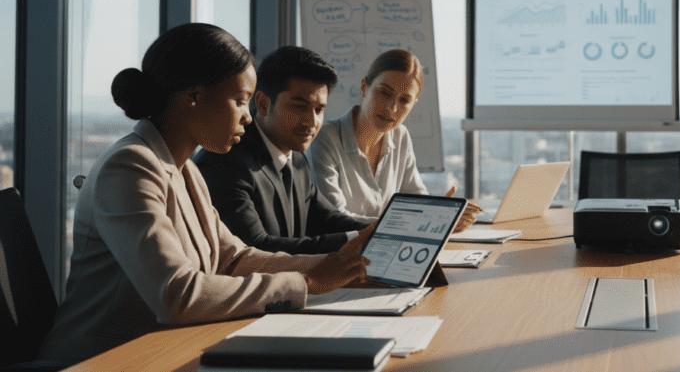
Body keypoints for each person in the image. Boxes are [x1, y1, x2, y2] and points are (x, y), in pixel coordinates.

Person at [40, 24, 370, 362]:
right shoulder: (129, 167)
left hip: (162, 351)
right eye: (241, 101)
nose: (248, 116)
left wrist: (337, 267)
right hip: (103, 361)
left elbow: (233, 258)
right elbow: (178, 296)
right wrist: (306, 283)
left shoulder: (186, 170)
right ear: (194, 96)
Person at [194, 46, 367, 254]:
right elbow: (256, 248)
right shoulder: (224, 162)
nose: (312, 122)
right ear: (264, 104)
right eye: (300, 107)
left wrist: (382, 230)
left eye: (319, 109)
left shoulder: (298, 160)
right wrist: (358, 240)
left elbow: (328, 219)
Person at [310, 49, 480, 227]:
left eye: (404, 100)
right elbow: (334, 220)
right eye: (384, 93)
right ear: (364, 88)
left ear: (413, 104)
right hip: (340, 252)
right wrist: (420, 222)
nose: (392, 108)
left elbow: (417, 201)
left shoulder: (400, 136)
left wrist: (441, 214)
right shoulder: (326, 138)